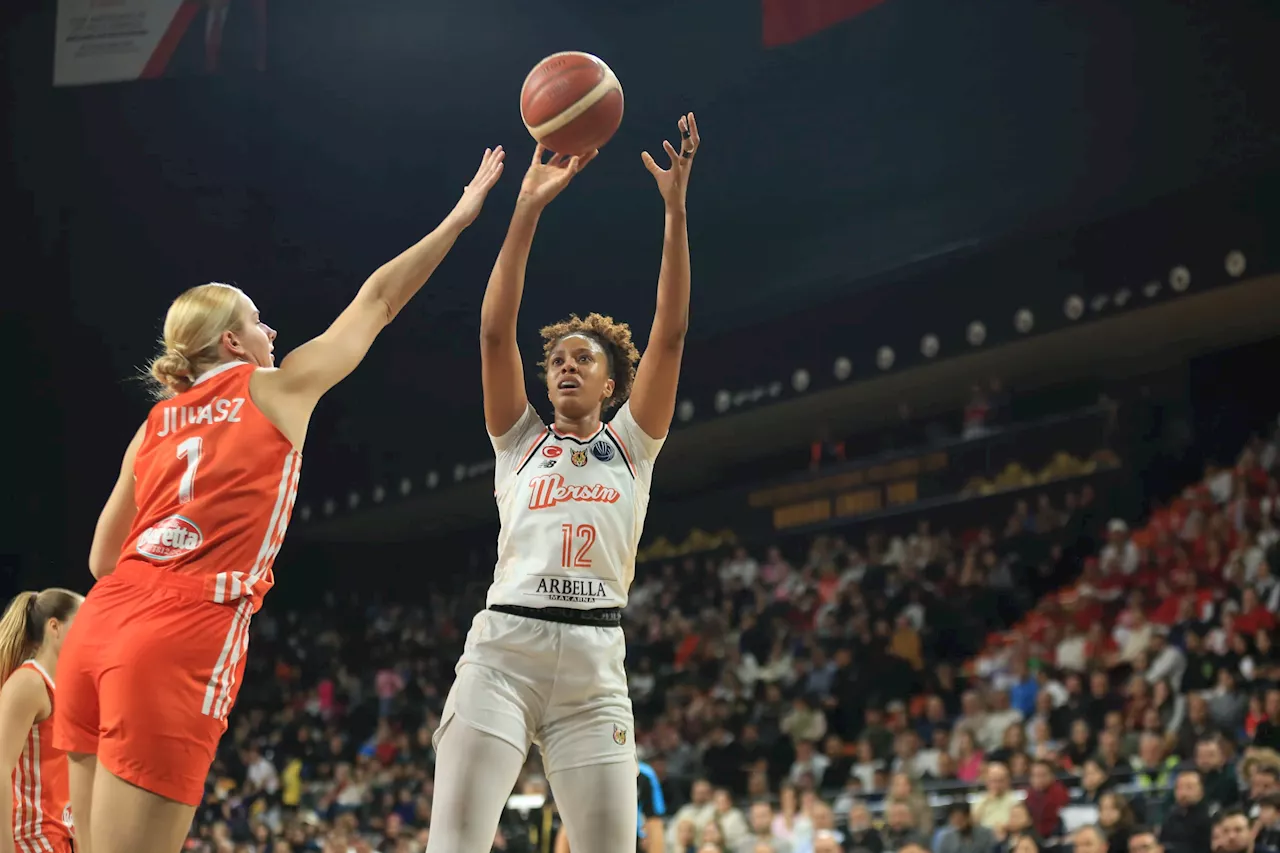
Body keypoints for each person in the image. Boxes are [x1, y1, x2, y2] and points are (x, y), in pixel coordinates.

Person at [51, 146, 507, 853]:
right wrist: (459, 216)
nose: (274, 333)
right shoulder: (275, 386)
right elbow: (378, 301)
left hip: (97, 630)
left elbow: (101, 555)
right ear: (232, 339)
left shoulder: (154, 424)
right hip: (176, 633)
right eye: (261, 321)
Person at [427, 111, 700, 853]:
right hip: (504, 653)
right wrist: (526, 208)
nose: (567, 366)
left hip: (594, 669)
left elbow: (669, 334)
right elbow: (493, 331)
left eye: (584, 359)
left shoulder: (634, 444)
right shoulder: (518, 440)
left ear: (614, 382)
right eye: (557, 360)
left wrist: (674, 213)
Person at [0, 590, 83, 853]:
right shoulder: (28, 683)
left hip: (57, 836)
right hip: (28, 839)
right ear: (54, 626)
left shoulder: (64, 688)